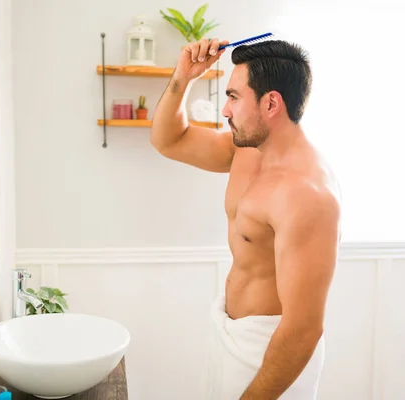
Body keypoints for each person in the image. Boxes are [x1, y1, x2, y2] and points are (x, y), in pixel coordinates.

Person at [150, 37, 342, 400]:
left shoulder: (307, 194)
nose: (225, 110)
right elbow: (168, 140)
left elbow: (303, 329)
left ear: (271, 103)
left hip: (272, 354)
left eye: (234, 97)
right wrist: (183, 77)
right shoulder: (247, 151)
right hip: (229, 335)